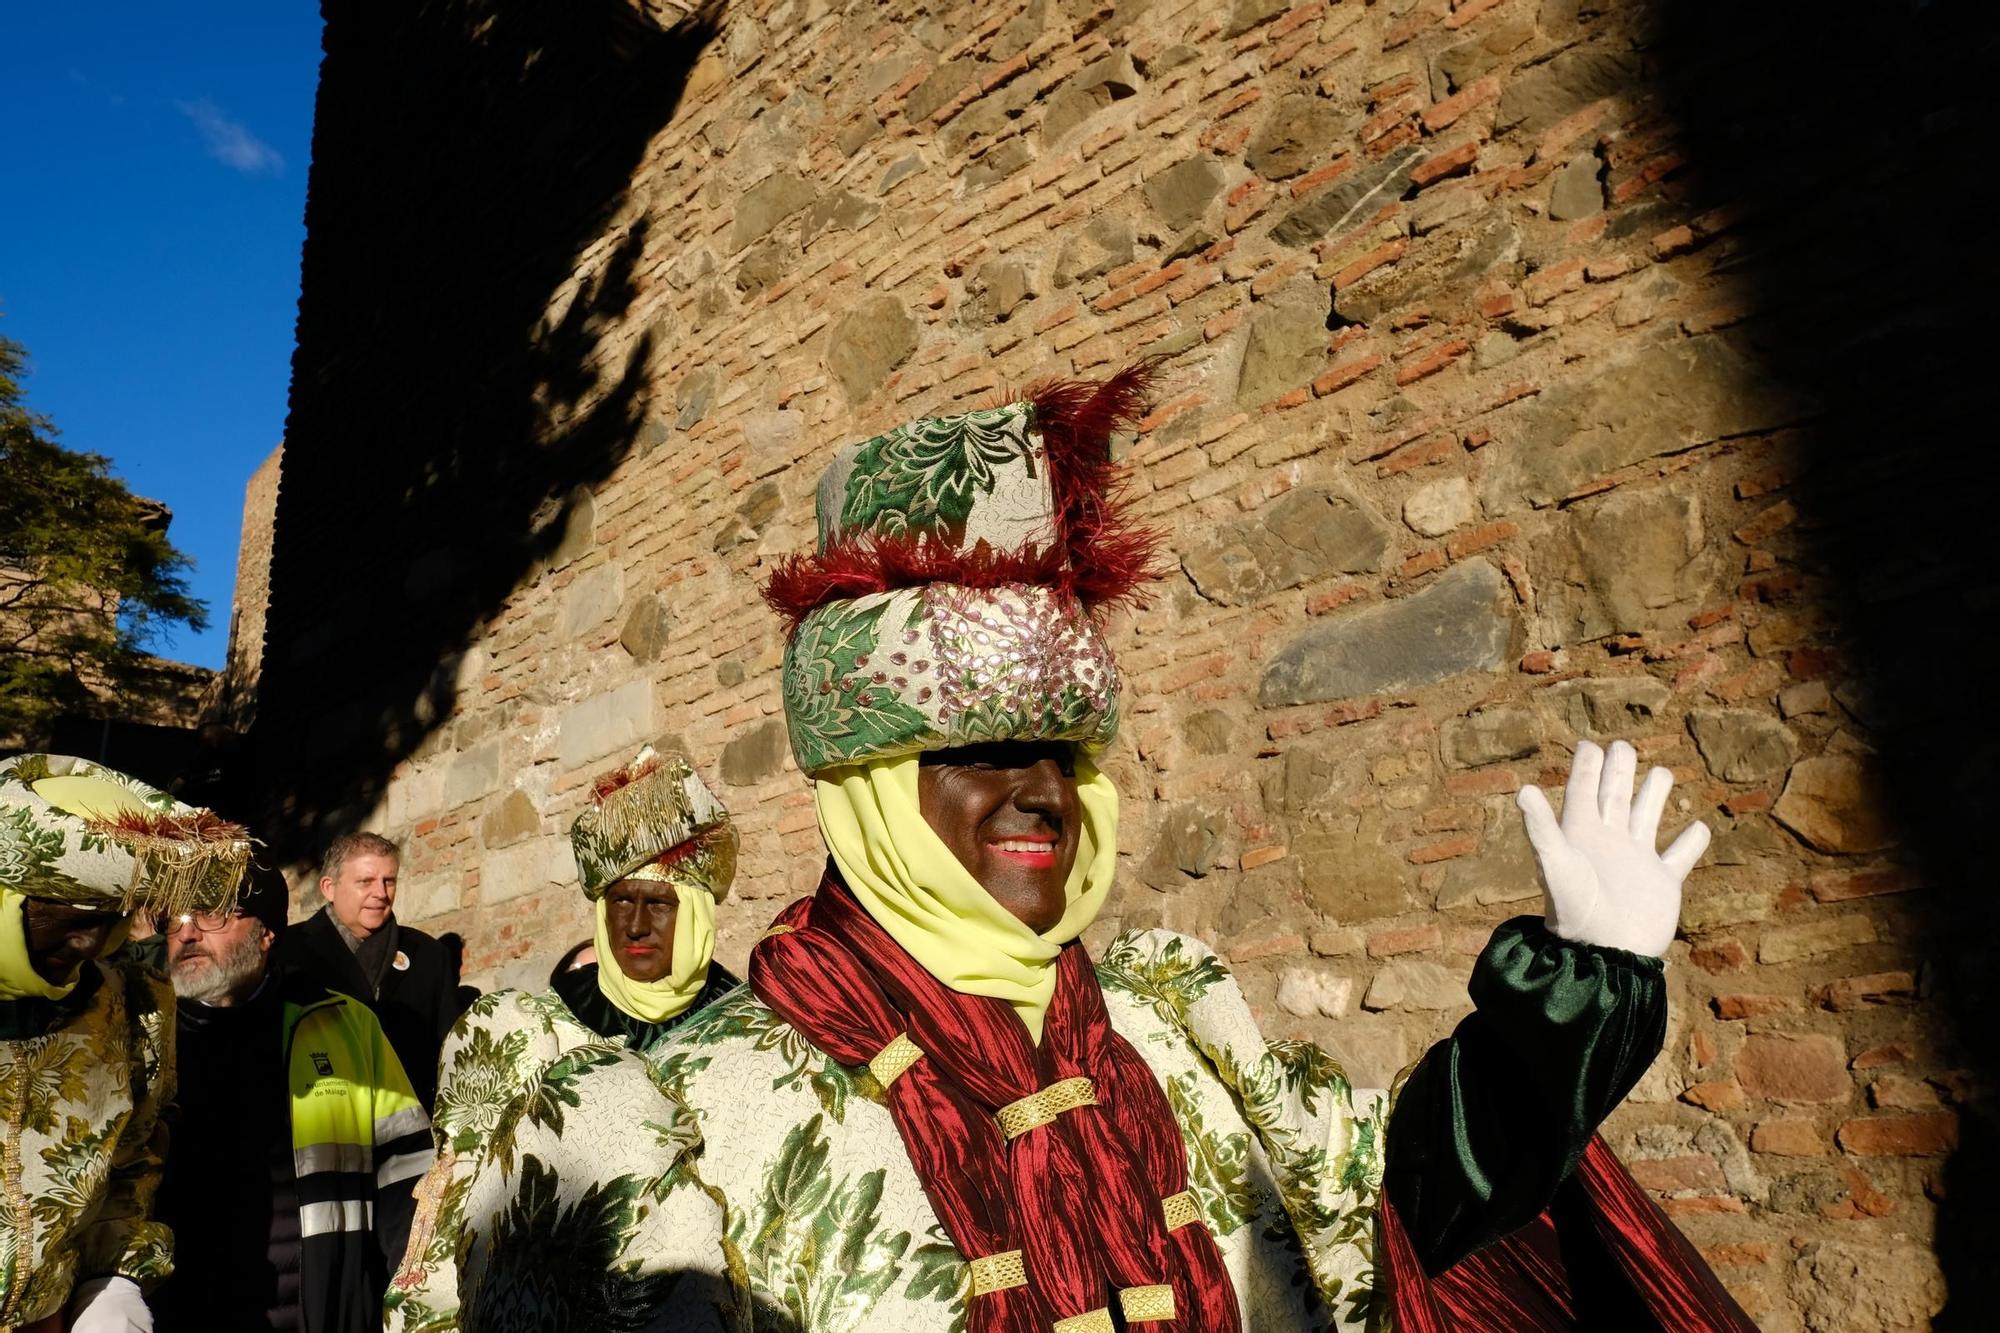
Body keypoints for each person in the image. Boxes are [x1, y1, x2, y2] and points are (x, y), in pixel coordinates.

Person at [446, 371, 1753, 1329]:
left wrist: (1567, 1006)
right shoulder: (657, 1125)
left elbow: (1391, 1227)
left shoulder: (1178, 1033)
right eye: (974, 753)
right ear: (863, 785)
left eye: (1061, 753)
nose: (1038, 798)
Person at [384, 747, 738, 1331]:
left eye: (660, 903)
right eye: (620, 901)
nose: (636, 925)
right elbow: (458, 1230)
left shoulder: (763, 1035)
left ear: (698, 911)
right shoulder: (519, 1034)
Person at [1, 753, 250, 1333]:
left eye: (109, 917)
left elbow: (134, 1157)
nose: (90, 942)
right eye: (70, 915)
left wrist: (110, 1285)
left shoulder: (132, 1001)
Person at [150, 864, 433, 1333]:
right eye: (175, 920)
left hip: (321, 1312)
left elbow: (408, 1176)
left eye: (212, 915)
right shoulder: (142, 1037)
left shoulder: (344, 1024)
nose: (187, 934)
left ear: (266, 934)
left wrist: (413, 1296)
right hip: (180, 1311)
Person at [277, 832, 461, 1109]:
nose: (381, 893)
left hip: (409, 1125)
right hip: (318, 1120)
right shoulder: (287, 953)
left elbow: (449, 1052)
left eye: (389, 881)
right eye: (366, 881)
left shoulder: (429, 955)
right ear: (329, 888)